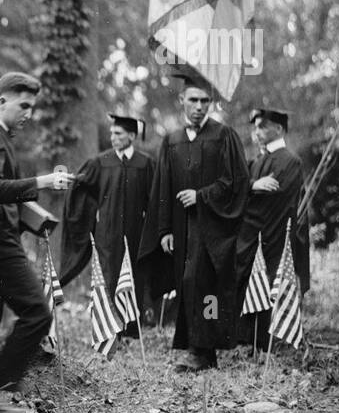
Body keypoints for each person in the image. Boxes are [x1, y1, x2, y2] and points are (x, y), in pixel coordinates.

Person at [0, 72, 75, 413]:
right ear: (0, 102)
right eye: (23, 105)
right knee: (37, 313)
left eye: (32, 107)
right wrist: (43, 181)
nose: (28, 113)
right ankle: (1, 390)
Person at [139, 72, 250, 372]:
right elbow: (161, 188)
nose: (199, 106)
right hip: (180, 227)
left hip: (211, 227)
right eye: (193, 100)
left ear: (211, 103)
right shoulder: (171, 140)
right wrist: (163, 229)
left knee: (198, 282)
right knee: (187, 284)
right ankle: (203, 350)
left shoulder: (223, 135)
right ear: (182, 101)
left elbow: (236, 181)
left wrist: (201, 196)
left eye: (204, 101)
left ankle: (199, 352)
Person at [60, 112, 156, 336]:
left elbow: (155, 198)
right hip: (107, 234)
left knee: (134, 277)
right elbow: (82, 189)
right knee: (109, 276)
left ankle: (132, 328)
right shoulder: (101, 162)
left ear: (131, 136)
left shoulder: (146, 163)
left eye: (118, 133)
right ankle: (109, 328)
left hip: (136, 232)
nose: (113, 137)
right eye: (112, 132)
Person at [234, 107, 310, 350]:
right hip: (251, 233)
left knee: (267, 282)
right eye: (255, 127)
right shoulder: (257, 161)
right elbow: (241, 189)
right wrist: (253, 186)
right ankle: (246, 338)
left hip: (273, 233)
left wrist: (250, 191)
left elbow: (276, 199)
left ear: (278, 129)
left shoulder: (290, 161)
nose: (256, 132)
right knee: (249, 282)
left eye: (262, 127)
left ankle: (265, 342)